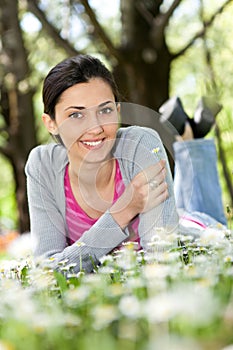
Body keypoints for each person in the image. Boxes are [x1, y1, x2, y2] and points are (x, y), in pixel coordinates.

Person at [25, 54, 226, 273]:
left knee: (208, 217)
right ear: (51, 123)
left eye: (105, 110)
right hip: (173, 219)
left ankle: (189, 140)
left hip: (196, 235)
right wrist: (123, 210)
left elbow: (162, 257)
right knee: (183, 205)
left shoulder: (140, 143)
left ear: (118, 111)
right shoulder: (42, 165)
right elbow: (48, 273)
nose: (95, 128)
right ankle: (189, 138)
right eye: (76, 115)